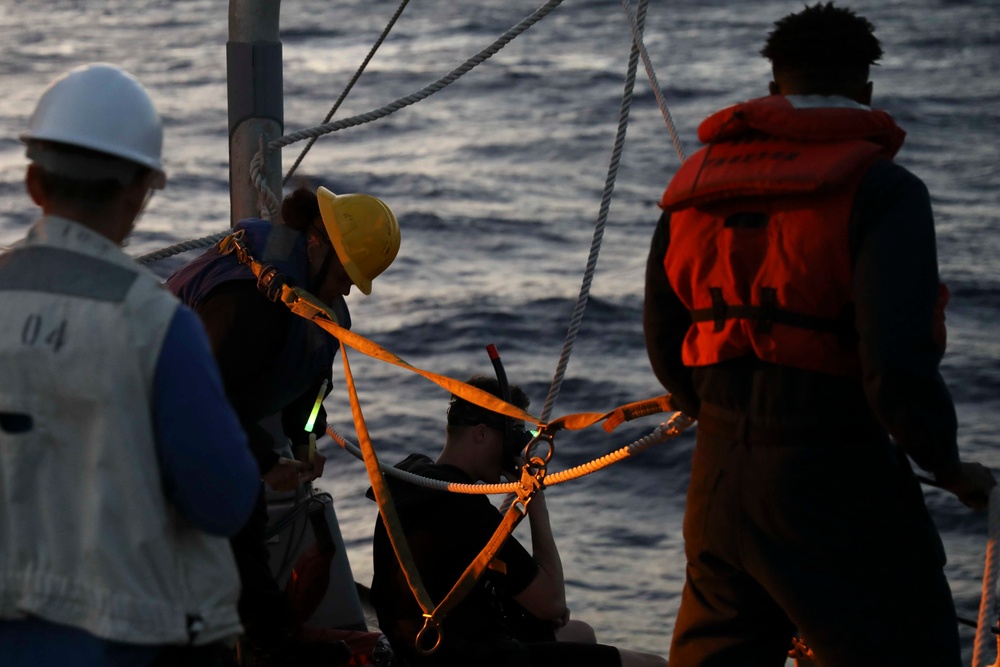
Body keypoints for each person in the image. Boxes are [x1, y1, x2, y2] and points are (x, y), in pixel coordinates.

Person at [643, 4, 997, 665]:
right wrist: (947, 465)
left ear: (774, 88)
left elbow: (665, 344)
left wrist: (725, 423)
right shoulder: (884, 190)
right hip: (833, 483)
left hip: (716, 484)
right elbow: (894, 362)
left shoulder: (692, 189)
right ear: (866, 92)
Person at [0, 63, 260, 666]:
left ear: (35, 182)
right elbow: (223, 500)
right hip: (131, 644)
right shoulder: (156, 325)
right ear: (139, 192)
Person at [166, 182, 401, 663]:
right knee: (235, 507)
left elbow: (311, 390)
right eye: (349, 273)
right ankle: (265, 644)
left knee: (241, 510)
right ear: (317, 243)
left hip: (214, 423)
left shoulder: (316, 305)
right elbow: (204, 395)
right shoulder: (248, 301)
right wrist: (265, 460)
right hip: (159, 418)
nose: (351, 288)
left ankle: (259, 639)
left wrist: (305, 440)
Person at [369, 374, 669, 667]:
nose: (516, 451)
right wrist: (536, 501)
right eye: (513, 438)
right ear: (481, 434)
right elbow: (552, 604)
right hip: (466, 657)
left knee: (581, 632)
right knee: (653, 663)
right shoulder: (466, 510)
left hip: (417, 649)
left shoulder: (411, 481)